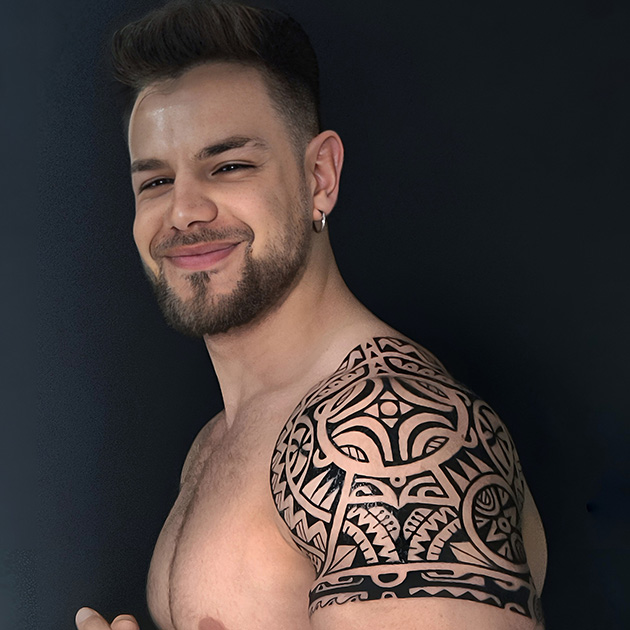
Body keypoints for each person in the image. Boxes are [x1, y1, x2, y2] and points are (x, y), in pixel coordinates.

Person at [75, 1, 547, 628]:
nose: (184, 212)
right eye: (156, 182)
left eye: (229, 166)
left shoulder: (383, 434)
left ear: (320, 177)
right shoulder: (221, 438)